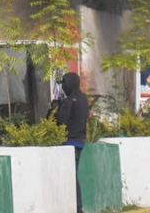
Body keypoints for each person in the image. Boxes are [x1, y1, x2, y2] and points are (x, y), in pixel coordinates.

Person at [54, 72, 89, 213]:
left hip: (69, 143)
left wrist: (57, 108)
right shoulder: (83, 100)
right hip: (80, 141)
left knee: (72, 177)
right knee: (73, 175)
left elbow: (61, 120)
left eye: (64, 84)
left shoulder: (69, 101)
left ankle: (78, 208)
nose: (63, 87)